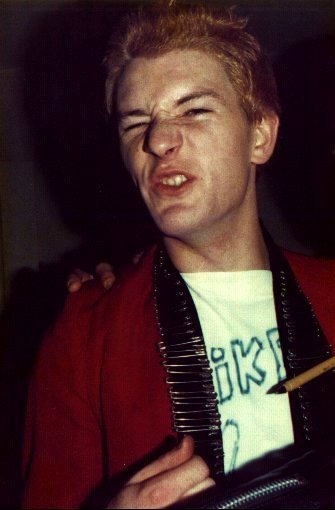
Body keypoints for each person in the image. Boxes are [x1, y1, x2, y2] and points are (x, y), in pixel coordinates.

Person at [22, 2, 335, 509]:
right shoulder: (83, 337)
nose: (158, 139)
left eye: (193, 109)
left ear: (260, 136)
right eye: (135, 123)